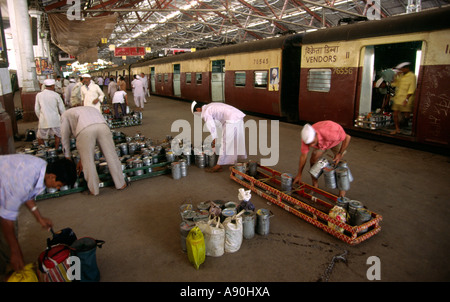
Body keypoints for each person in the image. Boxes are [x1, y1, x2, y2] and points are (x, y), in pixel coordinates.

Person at [0, 154, 77, 275]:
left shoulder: (40, 168)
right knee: (8, 232)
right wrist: (15, 251)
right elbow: (6, 218)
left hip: (6, 183)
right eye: (58, 185)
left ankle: (8, 264)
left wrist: (39, 218)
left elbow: (27, 194)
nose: (57, 189)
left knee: (10, 235)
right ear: (52, 177)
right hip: (7, 183)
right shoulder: (21, 180)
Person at [60, 106, 127, 195]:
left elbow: (64, 137)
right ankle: (121, 183)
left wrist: (67, 156)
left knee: (88, 162)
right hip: (103, 126)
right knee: (112, 156)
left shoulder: (65, 114)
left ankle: (94, 190)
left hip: (84, 129)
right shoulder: (90, 108)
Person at [293, 121, 351, 197]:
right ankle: (315, 185)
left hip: (336, 141)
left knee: (340, 165)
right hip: (321, 145)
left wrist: (340, 154)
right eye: (309, 144)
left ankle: (342, 194)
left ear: (316, 135)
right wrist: (299, 174)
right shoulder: (306, 138)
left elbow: (347, 137)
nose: (311, 145)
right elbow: (303, 156)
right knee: (313, 161)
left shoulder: (331, 133)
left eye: (312, 142)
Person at [191, 101, 247, 173]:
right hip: (237, 116)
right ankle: (235, 161)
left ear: (198, 109)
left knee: (225, 142)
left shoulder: (205, 113)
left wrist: (214, 139)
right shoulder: (210, 106)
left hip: (231, 119)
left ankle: (219, 165)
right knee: (236, 139)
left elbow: (212, 127)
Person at [34, 79, 66, 148]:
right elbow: (62, 109)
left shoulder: (39, 95)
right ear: (52, 86)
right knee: (58, 135)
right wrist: (63, 118)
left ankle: (43, 150)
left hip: (44, 120)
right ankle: (56, 150)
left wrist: (41, 117)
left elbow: (36, 109)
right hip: (55, 119)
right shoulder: (56, 95)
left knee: (40, 136)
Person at [390, 62, 416, 135]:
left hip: (407, 99)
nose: (401, 70)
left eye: (402, 69)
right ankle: (397, 128)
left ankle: (404, 126)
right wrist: (395, 76)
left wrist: (406, 99)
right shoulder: (401, 76)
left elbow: (412, 89)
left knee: (406, 115)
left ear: (407, 68)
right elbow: (394, 84)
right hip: (398, 98)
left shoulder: (412, 76)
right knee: (395, 114)